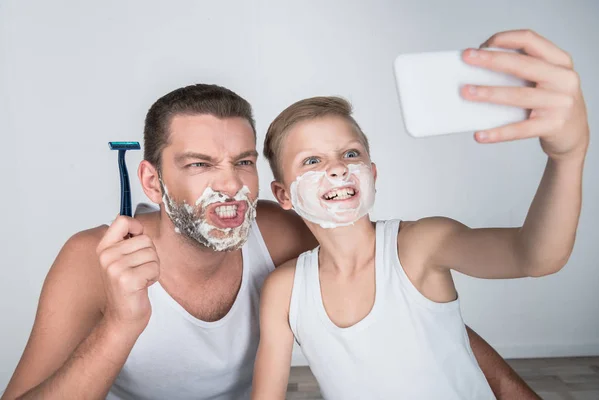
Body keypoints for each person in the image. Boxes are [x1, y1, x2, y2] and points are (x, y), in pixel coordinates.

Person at [2, 31, 554, 400]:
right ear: (152, 181)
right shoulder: (92, 259)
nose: (229, 184)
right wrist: (122, 324)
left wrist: (509, 387)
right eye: (199, 164)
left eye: (242, 162)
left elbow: (413, 304)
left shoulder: (278, 230)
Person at [251, 30, 588, 399]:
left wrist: (566, 158)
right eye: (312, 160)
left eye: (349, 154)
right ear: (283, 195)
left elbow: (536, 256)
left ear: (372, 173)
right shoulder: (285, 290)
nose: (336, 168)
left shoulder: (419, 246)